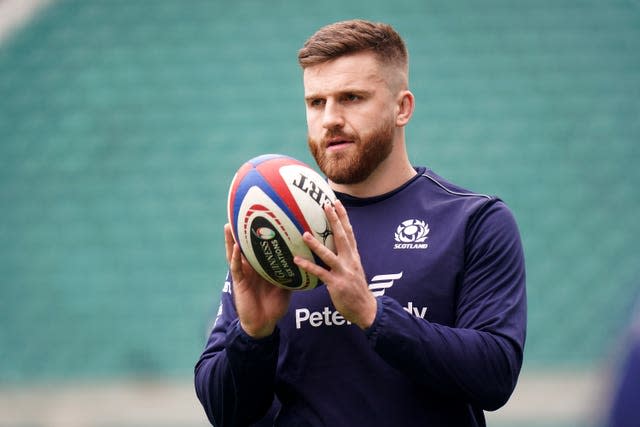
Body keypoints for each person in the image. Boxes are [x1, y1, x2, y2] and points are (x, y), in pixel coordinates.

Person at [195, 19, 527, 426]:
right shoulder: (278, 222)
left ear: (401, 107)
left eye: (351, 97)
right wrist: (253, 335)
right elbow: (224, 411)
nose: (330, 118)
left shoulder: (473, 222)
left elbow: (495, 375)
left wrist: (372, 314)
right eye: (316, 102)